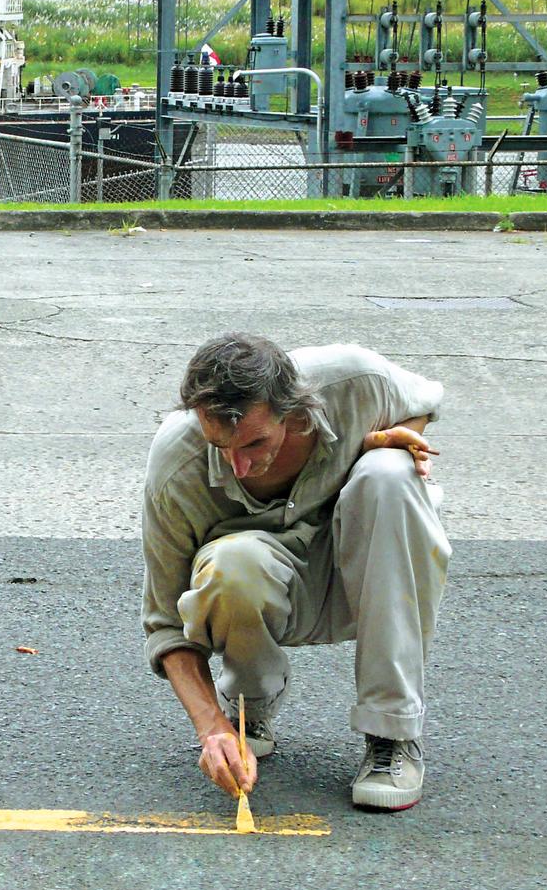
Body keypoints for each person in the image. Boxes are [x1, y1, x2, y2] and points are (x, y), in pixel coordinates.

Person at [141, 333, 447, 812]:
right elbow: (164, 623)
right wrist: (212, 728)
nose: (238, 466)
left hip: (369, 568)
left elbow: (426, 401)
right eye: (220, 444)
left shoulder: (354, 380)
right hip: (267, 579)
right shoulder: (175, 464)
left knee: (388, 473)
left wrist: (384, 439)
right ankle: (248, 707)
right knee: (232, 565)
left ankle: (392, 734)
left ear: (294, 409)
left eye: (254, 442)